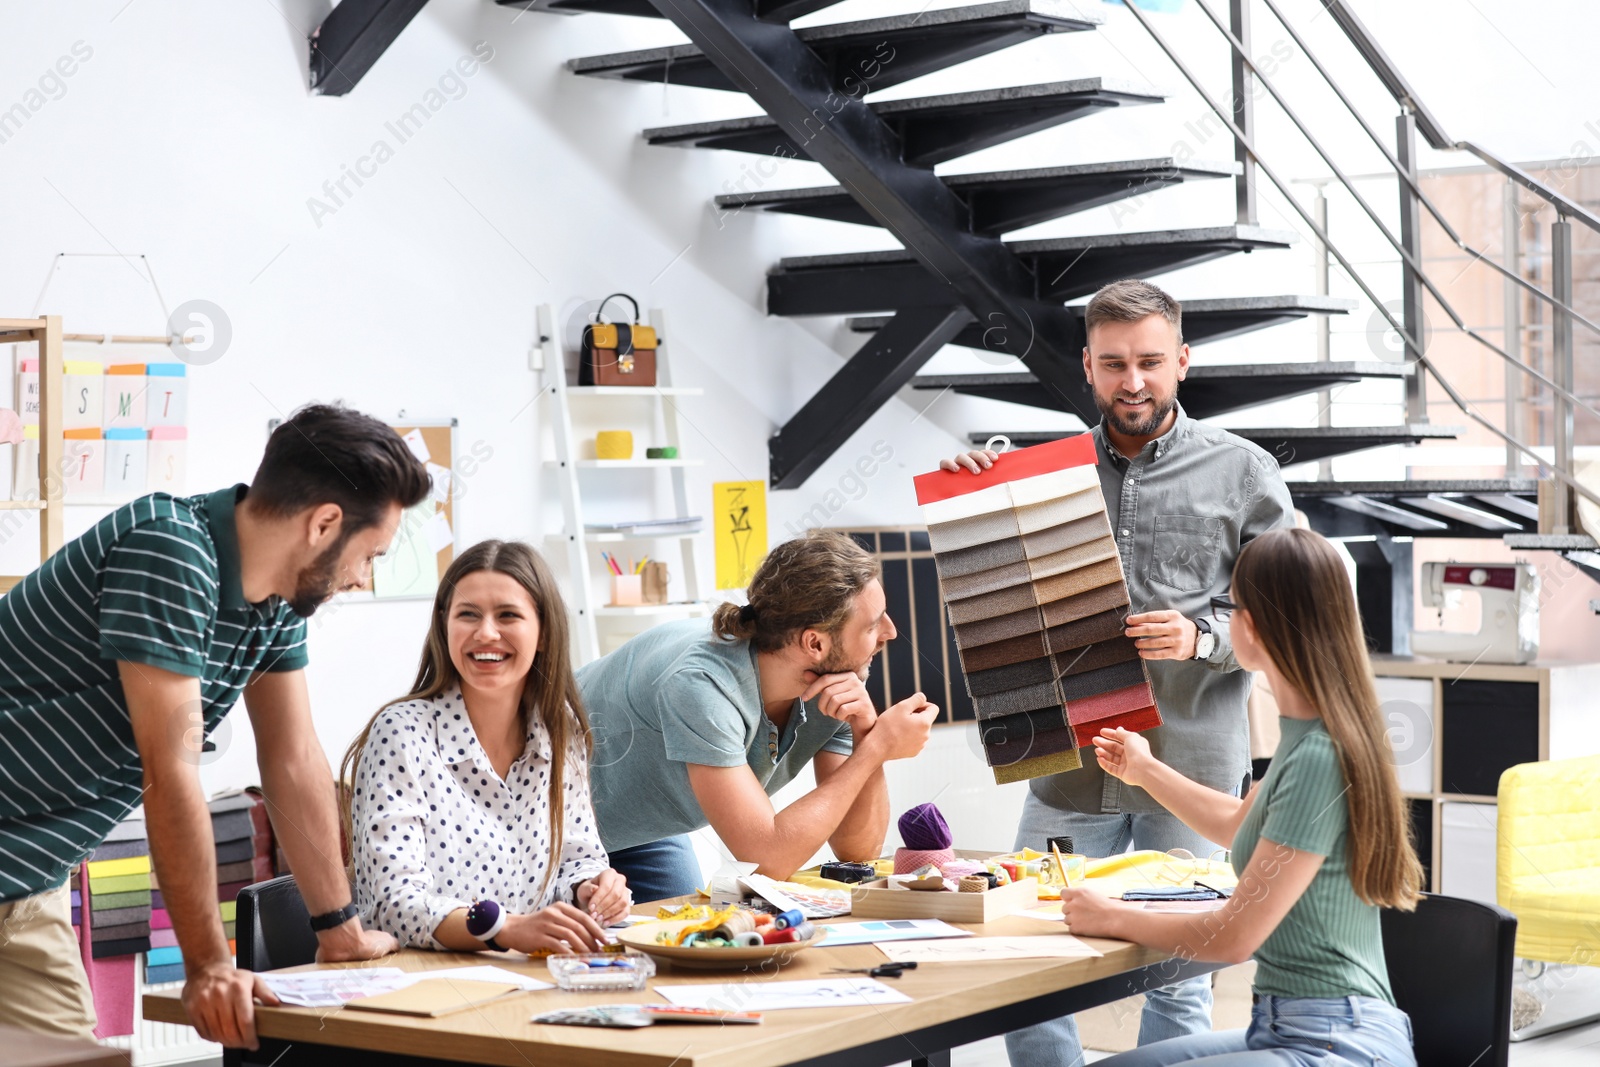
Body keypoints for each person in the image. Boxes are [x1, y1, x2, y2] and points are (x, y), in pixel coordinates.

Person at [943, 278, 1294, 1066]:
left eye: (1149, 361)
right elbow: (994, 582)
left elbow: (1289, 620)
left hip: (1188, 764)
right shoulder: (1041, 477)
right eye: (1113, 364)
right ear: (1088, 367)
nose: (1132, 382)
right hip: (1065, 762)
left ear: (1182, 361)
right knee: (1026, 955)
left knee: (1176, 973)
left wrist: (1200, 637)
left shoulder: (1245, 472)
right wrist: (975, 496)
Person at [0, 404, 429, 1047]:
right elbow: (168, 771)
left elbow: (294, 759)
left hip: (28, 879)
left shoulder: (275, 607)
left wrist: (338, 928)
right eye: (370, 555)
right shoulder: (169, 550)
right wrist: (208, 968)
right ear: (324, 524)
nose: (362, 578)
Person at [1066, 527, 1424, 1065]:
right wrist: (1145, 770)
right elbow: (1240, 824)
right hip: (1280, 1028)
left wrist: (1110, 917)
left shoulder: (1319, 758)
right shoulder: (1306, 735)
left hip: (1337, 1039)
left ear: (1252, 625)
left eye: (1230, 607)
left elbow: (1234, 937)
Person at [580, 530, 940, 901]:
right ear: (814, 642)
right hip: (546, 815)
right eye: (872, 624)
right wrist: (877, 747)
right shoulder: (703, 686)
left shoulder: (833, 689)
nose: (891, 632)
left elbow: (856, 851)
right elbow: (765, 859)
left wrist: (866, 735)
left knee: (677, 935)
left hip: (645, 828)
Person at [343, 540, 631, 955]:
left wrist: (592, 889)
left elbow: (577, 856)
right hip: (418, 982)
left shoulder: (559, 728)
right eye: (468, 615)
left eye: (508, 615)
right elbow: (394, 904)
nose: (486, 633)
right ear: (446, 627)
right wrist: (505, 928)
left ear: (545, 632)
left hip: (525, 977)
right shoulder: (401, 733)